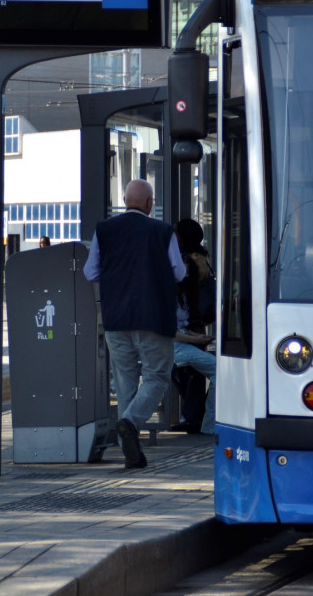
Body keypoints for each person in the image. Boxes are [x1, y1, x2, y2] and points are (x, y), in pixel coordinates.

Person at [83, 179, 186, 469]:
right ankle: (130, 423)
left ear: (125, 200)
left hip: (116, 320)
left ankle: (131, 448)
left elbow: (91, 272)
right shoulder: (163, 231)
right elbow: (178, 272)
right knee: (156, 377)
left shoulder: (104, 230)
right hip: (154, 318)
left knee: (126, 381)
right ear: (150, 204)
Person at [171, 218, 216, 436]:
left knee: (190, 373)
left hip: (190, 324)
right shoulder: (202, 257)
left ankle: (193, 418)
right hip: (194, 325)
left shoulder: (188, 262)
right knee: (192, 372)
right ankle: (193, 417)